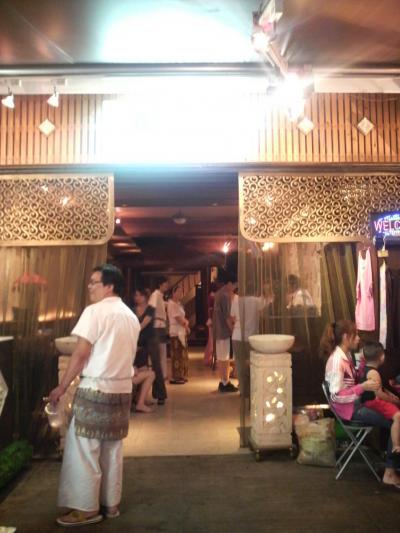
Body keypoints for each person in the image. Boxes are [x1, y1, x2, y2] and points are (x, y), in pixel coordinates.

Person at [48, 264, 140, 526]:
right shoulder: (130, 316)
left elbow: (80, 354)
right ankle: (111, 503)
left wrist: (62, 387)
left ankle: (86, 509)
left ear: (109, 286)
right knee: (112, 448)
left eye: (94, 282)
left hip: (96, 389)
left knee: (84, 449)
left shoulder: (94, 312)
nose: (89, 286)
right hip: (122, 390)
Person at [321, 319, 400, 488]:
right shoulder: (337, 361)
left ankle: (392, 465)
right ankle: (390, 472)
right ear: (346, 337)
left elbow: (353, 378)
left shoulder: (346, 356)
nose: (358, 339)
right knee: (397, 421)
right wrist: (362, 387)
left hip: (355, 405)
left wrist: (363, 364)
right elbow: (336, 397)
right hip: (349, 410)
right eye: (355, 335)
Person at [359, 341, 400, 454]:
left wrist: (390, 394)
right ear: (382, 357)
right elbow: (379, 394)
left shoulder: (367, 370)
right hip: (372, 402)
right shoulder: (374, 373)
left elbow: (381, 388)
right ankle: (396, 446)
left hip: (370, 401)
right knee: (398, 416)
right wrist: (393, 400)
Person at [133, 287, 166, 407]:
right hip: (139, 339)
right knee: (141, 367)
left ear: (145, 297)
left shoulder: (150, 308)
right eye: (136, 295)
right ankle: (139, 398)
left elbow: (144, 323)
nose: (137, 298)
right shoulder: (133, 310)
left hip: (151, 338)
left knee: (156, 365)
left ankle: (160, 395)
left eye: (139, 295)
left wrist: (133, 330)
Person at [212, 270, 238, 393]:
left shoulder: (218, 293)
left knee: (221, 357)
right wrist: (232, 330)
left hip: (217, 330)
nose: (235, 288)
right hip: (223, 331)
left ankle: (223, 381)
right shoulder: (226, 295)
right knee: (225, 358)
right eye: (234, 285)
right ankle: (225, 382)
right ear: (229, 283)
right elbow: (227, 317)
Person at [167, 285, 190, 384]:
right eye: (178, 291)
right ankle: (176, 377)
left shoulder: (179, 304)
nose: (180, 293)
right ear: (173, 293)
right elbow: (177, 318)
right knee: (177, 355)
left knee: (182, 354)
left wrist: (185, 324)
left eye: (181, 291)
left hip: (181, 330)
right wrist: (186, 326)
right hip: (175, 331)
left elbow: (182, 317)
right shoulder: (172, 304)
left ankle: (182, 375)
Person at [149, 276, 169, 383]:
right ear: (160, 285)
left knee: (162, 350)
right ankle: (159, 375)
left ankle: (163, 375)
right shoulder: (155, 295)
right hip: (157, 325)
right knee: (159, 351)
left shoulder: (160, 296)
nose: (167, 286)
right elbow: (151, 309)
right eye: (165, 284)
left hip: (161, 325)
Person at [204, 282, 218, 367]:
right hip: (213, 320)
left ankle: (210, 359)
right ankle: (210, 359)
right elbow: (210, 309)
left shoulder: (210, 296)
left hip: (212, 319)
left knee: (211, 340)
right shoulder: (212, 296)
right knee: (212, 340)